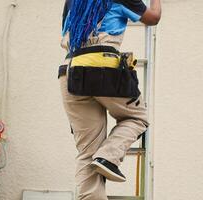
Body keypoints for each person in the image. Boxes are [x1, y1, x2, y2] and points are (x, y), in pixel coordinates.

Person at [58, 0, 161, 199]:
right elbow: (153, 18)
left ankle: (100, 161)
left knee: (87, 153)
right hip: (102, 67)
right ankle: (107, 157)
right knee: (138, 118)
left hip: (69, 71)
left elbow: (65, 32)